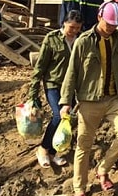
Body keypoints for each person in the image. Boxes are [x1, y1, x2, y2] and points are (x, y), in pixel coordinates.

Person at [59, 1, 118, 196]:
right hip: (89, 99)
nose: (112, 27)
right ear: (99, 17)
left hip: (115, 97)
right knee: (84, 146)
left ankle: (103, 169)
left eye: (115, 24)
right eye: (109, 23)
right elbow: (72, 71)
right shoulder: (84, 41)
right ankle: (79, 189)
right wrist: (66, 101)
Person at [29, 10, 83, 168]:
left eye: (78, 28)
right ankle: (43, 149)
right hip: (53, 83)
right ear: (64, 23)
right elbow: (40, 66)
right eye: (71, 27)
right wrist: (33, 92)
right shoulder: (52, 39)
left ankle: (53, 153)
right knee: (59, 115)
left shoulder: (80, 41)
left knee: (69, 119)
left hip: (70, 86)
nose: (74, 31)